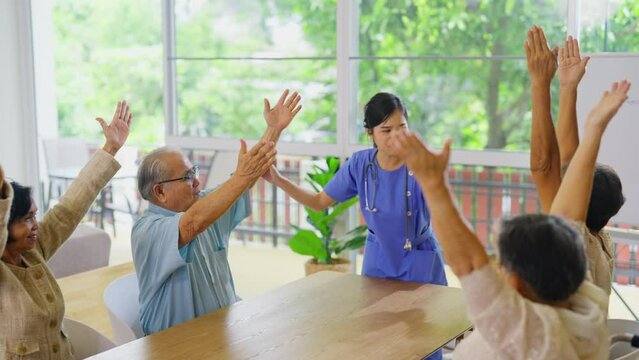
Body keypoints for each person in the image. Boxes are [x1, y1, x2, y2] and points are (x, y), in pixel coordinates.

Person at [389, 78, 630, 359]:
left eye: (501, 263)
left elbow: (468, 261)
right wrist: (592, 131)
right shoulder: (585, 305)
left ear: (516, 281)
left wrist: (433, 183)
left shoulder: (521, 330)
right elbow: (570, 216)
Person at [132, 89, 301, 335]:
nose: (197, 182)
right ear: (159, 193)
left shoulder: (203, 207)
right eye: (188, 177)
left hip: (224, 330)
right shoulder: (147, 230)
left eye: (195, 172)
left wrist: (274, 130)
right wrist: (242, 177)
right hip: (176, 346)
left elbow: (241, 182)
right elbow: (192, 224)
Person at [264, 92, 447, 286]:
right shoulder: (360, 164)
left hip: (419, 260)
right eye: (386, 130)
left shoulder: (422, 163)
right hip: (378, 261)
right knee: (374, 315)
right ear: (370, 132)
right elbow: (319, 202)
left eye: (402, 127)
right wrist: (278, 179)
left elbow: (444, 211)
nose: (396, 136)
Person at [0, 101, 133, 359]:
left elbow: (69, 207)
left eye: (35, 216)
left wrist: (110, 148)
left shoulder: (32, 251)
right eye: (26, 219)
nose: (35, 225)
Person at [526, 25, 623, 295]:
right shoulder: (600, 240)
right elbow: (568, 160)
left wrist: (540, 84)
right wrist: (568, 88)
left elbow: (545, 167)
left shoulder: (572, 240)